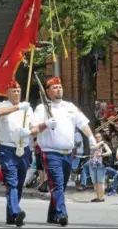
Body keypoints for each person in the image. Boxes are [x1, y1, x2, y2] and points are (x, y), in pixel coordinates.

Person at [31, 77, 97, 227]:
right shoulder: (42, 109)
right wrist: (45, 124)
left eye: (60, 87)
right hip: (50, 152)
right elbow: (33, 130)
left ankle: (51, 215)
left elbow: (83, 123)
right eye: (54, 87)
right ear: (47, 91)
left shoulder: (70, 107)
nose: (58, 89)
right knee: (58, 184)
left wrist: (91, 137)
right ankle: (62, 214)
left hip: (68, 152)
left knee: (60, 185)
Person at [0, 80, 32, 227]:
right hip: (8, 149)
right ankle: (16, 211)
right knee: (11, 182)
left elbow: (34, 127)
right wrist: (17, 108)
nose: (17, 93)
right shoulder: (2, 105)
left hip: (24, 148)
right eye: (14, 90)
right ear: (7, 92)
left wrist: (29, 132)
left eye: (19, 90)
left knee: (20, 183)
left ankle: (11, 215)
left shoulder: (28, 108)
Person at [89, 133, 112, 202]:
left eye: (99, 137)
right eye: (96, 137)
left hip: (100, 165)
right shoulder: (93, 144)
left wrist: (102, 154)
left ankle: (101, 197)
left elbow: (109, 152)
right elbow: (93, 148)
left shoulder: (104, 144)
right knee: (94, 182)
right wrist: (100, 143)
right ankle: (97, 196)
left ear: (101, 137)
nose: (97, 138)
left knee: (100, 182)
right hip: (92, 165)